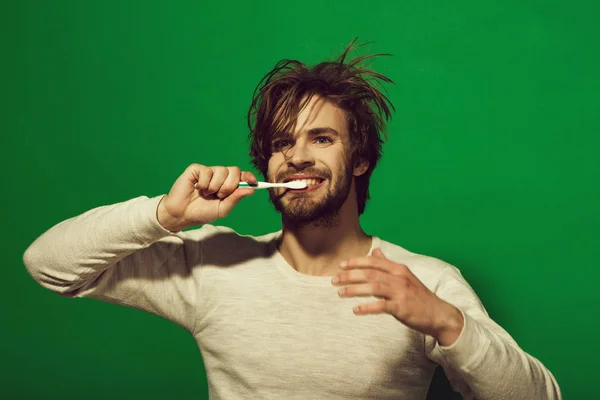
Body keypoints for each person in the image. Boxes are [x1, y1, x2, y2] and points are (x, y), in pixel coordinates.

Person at [23, 39, 561, 399]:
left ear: (360, 159)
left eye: (321, 138)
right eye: (282, 143)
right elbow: (48, 264)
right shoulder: (212, 264)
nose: (296, 156)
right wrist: (166, 214)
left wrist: (447, 322)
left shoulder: (427, 282)